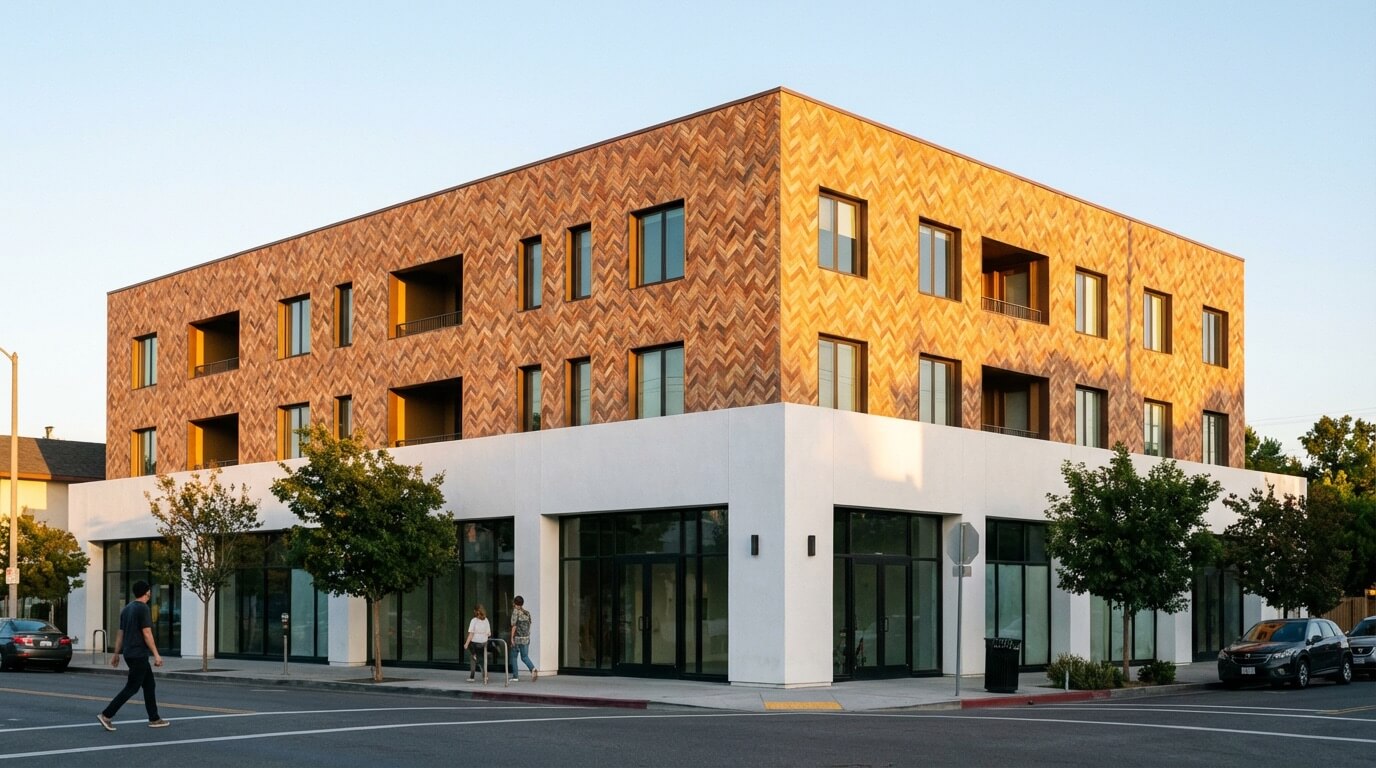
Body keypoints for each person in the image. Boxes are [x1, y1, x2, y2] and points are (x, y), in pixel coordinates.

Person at [97, 580, 168, 731]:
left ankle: (154, 718)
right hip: (138, 654)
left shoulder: (127, 609)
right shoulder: (143, 608)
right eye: (149, 590)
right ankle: (106, 715)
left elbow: (120, 633)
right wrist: (156, 655)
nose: (150, 592)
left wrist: (116, 653)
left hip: (129, 653)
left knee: (149, 685)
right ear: (146, 592)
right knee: (132, 687)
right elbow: (147, 633)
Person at [508, 595, 537, 682]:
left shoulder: (515, 612)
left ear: (514, 603)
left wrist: (512, 638)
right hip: (526, 638)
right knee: (524, 657)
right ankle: (533, 668)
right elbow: (530, 624)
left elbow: (514, 626)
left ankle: (515, 676)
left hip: (517, 638)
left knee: (513, 657)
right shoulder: (526, 613)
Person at [464, 604, 491, 682]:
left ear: (475, 611)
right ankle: (484, 676)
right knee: (481, 658)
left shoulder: (474, 620)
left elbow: (471, 634)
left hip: (475, 643)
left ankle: (473, 676)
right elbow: (489, 633)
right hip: (484, 643)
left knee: (468, 643)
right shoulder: (486, 620)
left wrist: (466, 644)